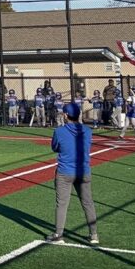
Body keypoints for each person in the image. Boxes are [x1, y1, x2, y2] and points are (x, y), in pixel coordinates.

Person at [46, 103, 99, 245]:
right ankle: (94, 235)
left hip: (65, 172)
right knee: (88, 203)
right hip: (83, 171)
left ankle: (58, 235)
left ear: (65, 115)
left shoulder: (59, 131)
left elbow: (55, 147)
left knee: (62, 204)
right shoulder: (87, 131)